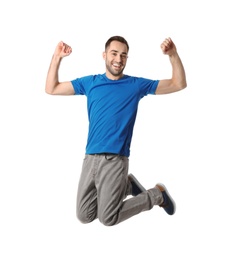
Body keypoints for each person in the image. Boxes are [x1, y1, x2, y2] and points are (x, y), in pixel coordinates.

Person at [45, 36, 187, 226]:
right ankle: (127, 186)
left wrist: (173, 55)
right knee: (84, 215)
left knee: (108, 218)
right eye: (114, 53)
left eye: (123, 55)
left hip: (115, 159)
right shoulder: (90, 82)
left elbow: (178, 84)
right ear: (104, 55)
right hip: (90, 158)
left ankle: (156, 195)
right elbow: (51, 88)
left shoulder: (136, 85)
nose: (118, 59)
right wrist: (57, 57)